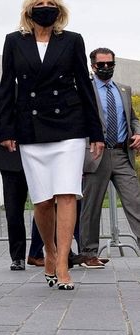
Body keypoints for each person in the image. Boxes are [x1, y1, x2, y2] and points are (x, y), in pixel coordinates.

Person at [0, 0, 104, 290]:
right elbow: (8, 87)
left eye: (51, 3)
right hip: (30, 129)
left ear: (60, 9)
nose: (46, 7)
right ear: (29, 8)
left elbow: (85, 86)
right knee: (42, 201)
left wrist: (95, 132)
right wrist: (6, 130)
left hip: (69, 127)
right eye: (40, 3)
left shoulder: (71, 41)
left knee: (67, 193)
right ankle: (49, 249)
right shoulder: (14, 42)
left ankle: (62, 265)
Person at [78, 48, 140, 267]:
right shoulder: (84, 89)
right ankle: (88, 254)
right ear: (92, 66)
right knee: (91, 206)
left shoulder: (123, 89)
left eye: (110, 64)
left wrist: (138, 131)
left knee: (135, 201)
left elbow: (132, 118)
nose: (106, 68)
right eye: (101, 65)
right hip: (96, 155)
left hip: (123, 154)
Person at [0, 82, 33, 270]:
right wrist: (6, 135)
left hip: (40, 156)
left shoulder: (39, 85)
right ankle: (17, 256)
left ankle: (47, 252)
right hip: (11, 157)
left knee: (49, 205)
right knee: (14, 211)